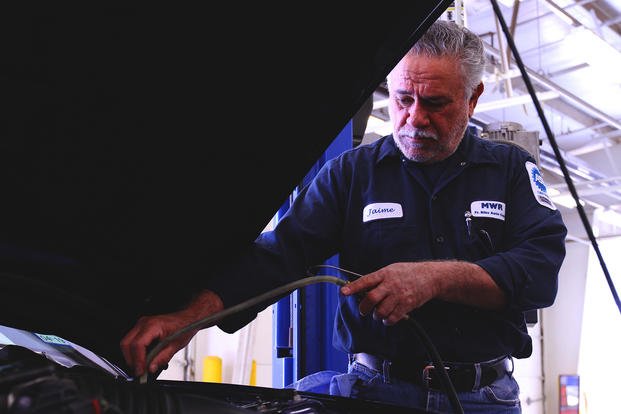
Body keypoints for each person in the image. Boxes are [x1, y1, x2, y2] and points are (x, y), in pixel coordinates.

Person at [120, 20, 567, 413]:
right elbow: (279, 256)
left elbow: (539, 271)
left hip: (484, 399)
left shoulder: (510, 171)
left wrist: (434, 277)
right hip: (377, 392)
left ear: (473, 99)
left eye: (435, 103)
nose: (414, 118)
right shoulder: (351, 175)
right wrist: (189, 318)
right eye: (402, 98)